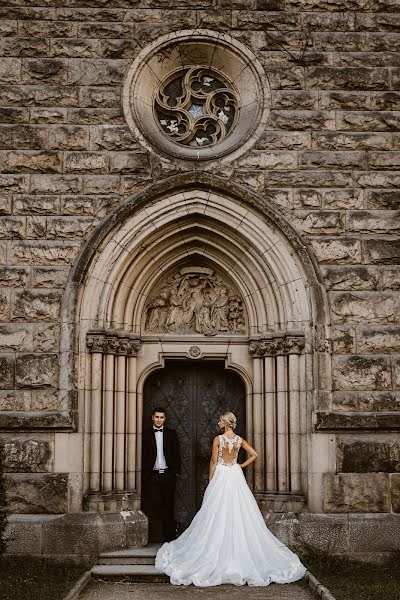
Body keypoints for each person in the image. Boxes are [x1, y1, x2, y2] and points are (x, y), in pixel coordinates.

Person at [155, 411, 306, 586]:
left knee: (216, 511)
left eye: (220, 420)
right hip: (234, 474)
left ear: (225, 423)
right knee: (239, 510)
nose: (218, 422)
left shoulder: (218, 439)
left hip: (221, 474)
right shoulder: (239, 440)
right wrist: (240, 465)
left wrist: (211, 480)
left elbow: (213, 461)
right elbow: (255, 455)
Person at [142, 407, 180, 543]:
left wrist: (174, 473)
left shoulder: (171, 434)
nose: (159, 420)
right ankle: (153, 537)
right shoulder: (145, 435)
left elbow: (176, 454)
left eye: (161, 417)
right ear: (152, 417)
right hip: (152, 476)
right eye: (157, 417)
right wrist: (146, 475)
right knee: (153, 506)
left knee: (168, 506)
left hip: (168, 476)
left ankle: (169, 538)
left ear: (165, 419)